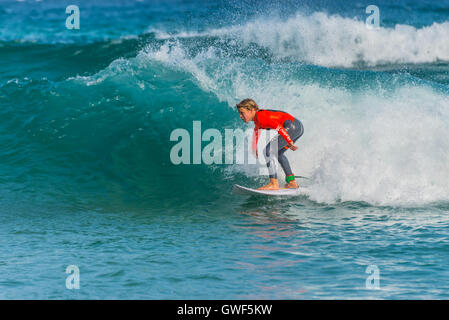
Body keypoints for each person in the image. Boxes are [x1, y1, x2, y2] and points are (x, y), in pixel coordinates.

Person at [236, 98, 304, 190]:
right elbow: (256, 131)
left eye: (242, 113)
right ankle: (291, 182)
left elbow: (279, 127)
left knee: (267, 151)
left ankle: (273, 183)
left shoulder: (261, 117)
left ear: (251, 110)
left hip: (292, 127)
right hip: (298, 127)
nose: (240, 116)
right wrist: (255, 148)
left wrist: (289, 141)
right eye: (239, 113)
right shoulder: (257, 120)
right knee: (279, 153)